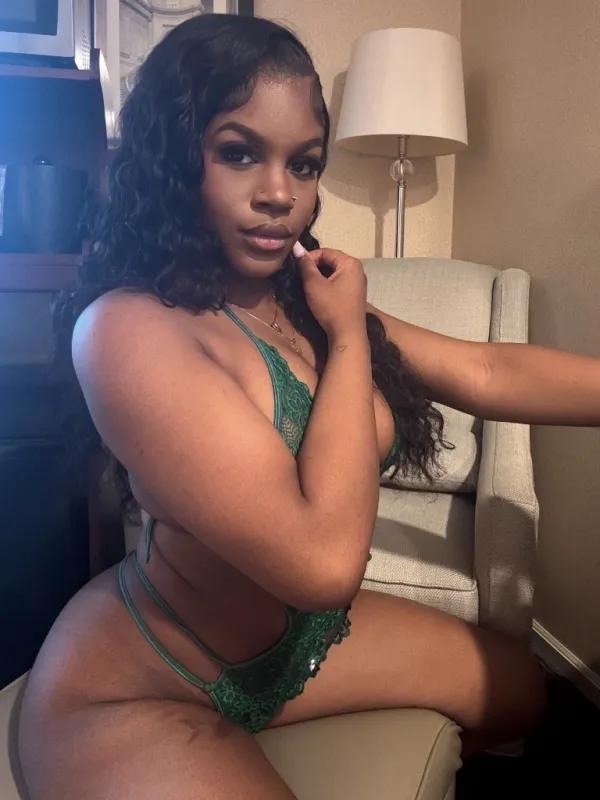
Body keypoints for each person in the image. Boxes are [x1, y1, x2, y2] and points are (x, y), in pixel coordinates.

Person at [19, 13, 600, 799]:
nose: (278, 194)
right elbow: (323, 566)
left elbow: (487, 369)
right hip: (147, 682)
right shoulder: (126, 328)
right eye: (239, 153)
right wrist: (351, 339)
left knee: (522, 691)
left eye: (303, 164)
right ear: (172, 157)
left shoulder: (300, 299)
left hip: (296, 650)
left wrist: (344, 325)